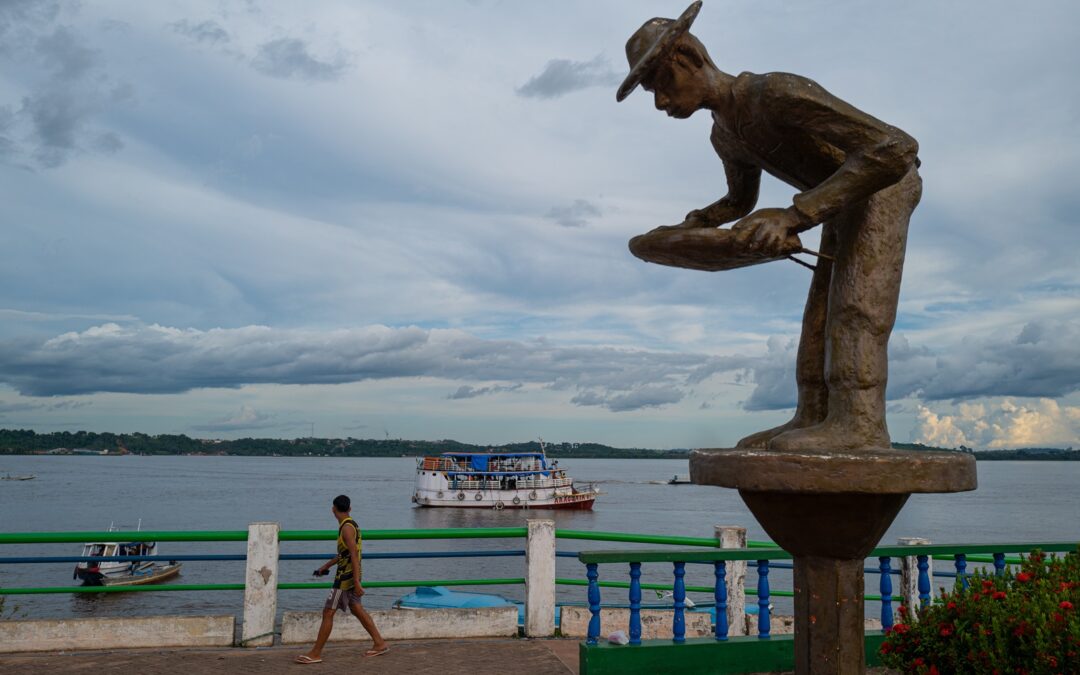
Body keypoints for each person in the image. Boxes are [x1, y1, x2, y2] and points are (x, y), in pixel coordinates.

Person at [619, 1, 922, 451]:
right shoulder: (724, 134)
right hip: (837, 203)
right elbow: (741, 201)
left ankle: (860, 425)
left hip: (881, 187)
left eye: (662, 82)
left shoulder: (773, 93)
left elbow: (896, 148)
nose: (661, 102)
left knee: (855, 306)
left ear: (688, 57)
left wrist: (795, 215)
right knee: (818, 315)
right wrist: (696, 224)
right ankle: (815, 414)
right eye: (652, 93)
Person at [295, 494, 389, 665]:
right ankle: (379, 643)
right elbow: (344, 554)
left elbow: (353, 555)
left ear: (333, 509)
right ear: (350, 509)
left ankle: (316, 653)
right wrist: (326, 566)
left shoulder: (346, 528)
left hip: (345, 578)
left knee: (328, 611)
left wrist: (356, 582)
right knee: (356, 608)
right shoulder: (352, 524)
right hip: (351, 574)